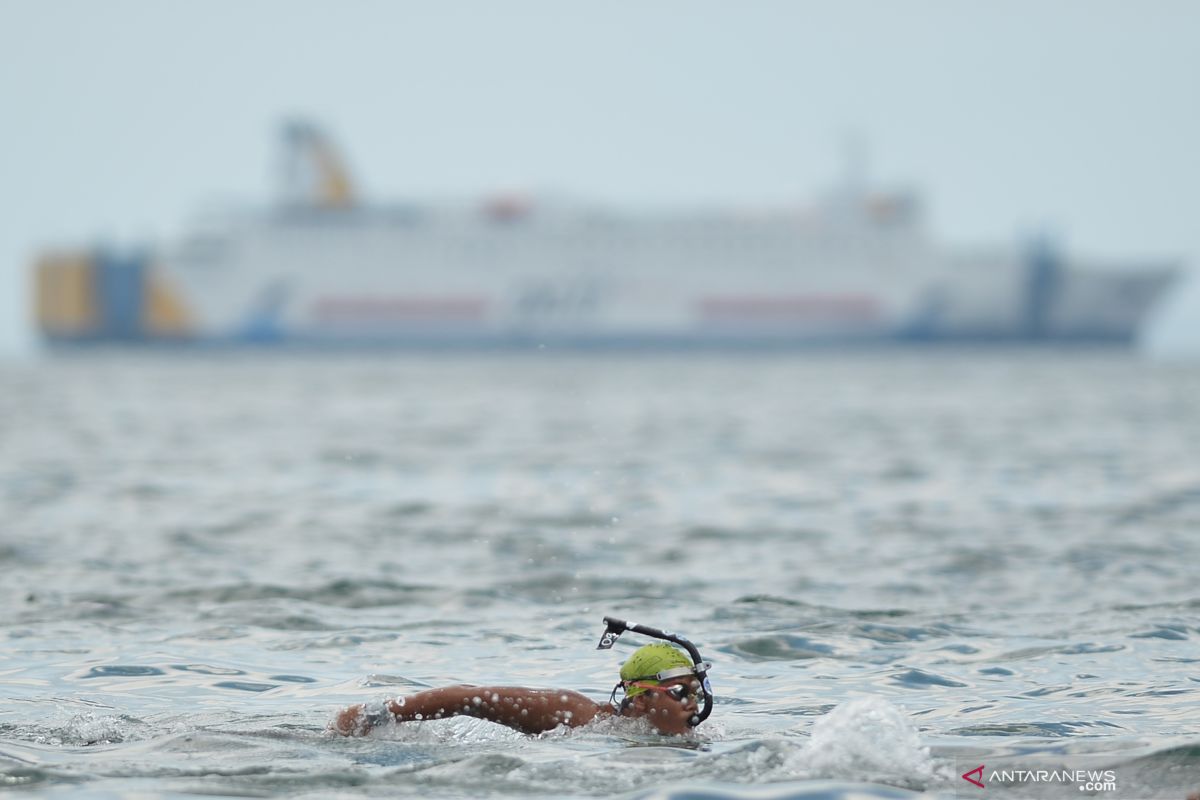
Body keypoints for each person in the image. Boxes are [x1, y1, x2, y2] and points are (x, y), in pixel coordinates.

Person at [331, 641, 708, 736]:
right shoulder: (577, 716)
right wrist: (377, 715)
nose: (693, 704)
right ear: (640, 701)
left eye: (697, 693)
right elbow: (470, 697)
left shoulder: (693, 741)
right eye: (681, 692)